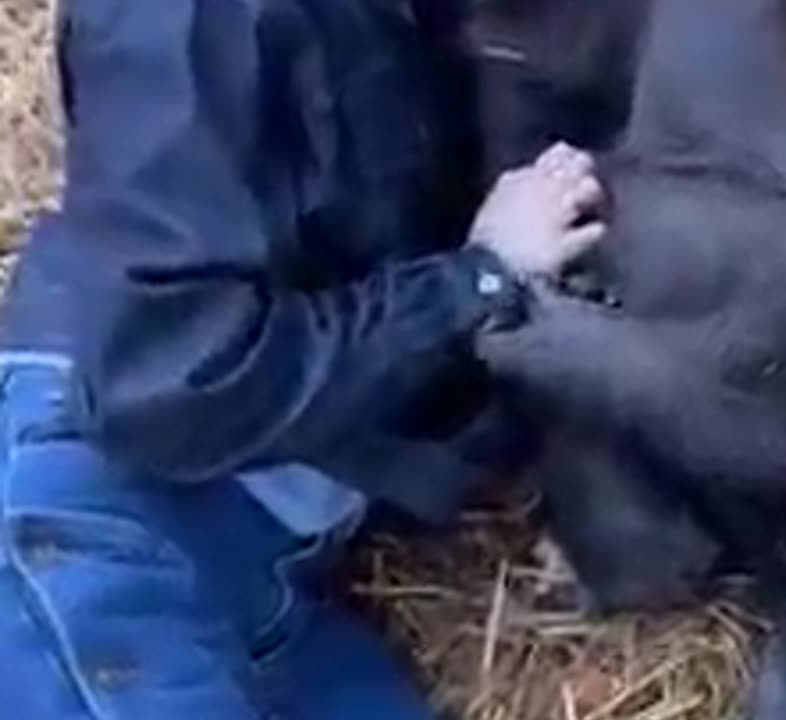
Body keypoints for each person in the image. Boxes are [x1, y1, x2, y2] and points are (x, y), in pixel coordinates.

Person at [0, 0, 606, 718]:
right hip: (92, 525)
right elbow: (165, 381)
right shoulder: (186, 19)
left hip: (262, 581)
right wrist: (477, 279)